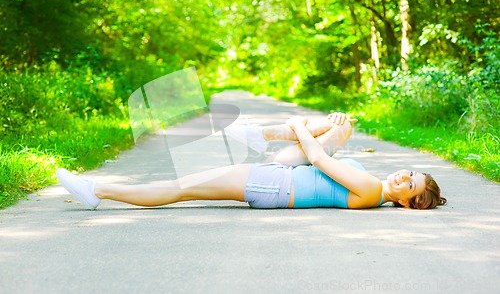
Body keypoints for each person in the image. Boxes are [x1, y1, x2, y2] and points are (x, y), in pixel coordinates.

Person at [56, 113, 446, 210]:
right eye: (411, 173)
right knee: (340, 126)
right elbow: (317, 159)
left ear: (408, 204)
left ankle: (98, 191)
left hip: (273, 185)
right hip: (283, 175)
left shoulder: (370, 191)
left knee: (181, 188)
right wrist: (331, 131)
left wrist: (299, 126)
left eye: (410, 185)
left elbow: (316, 157)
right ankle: (262, 133)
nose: (404, 176)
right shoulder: (375, 187)